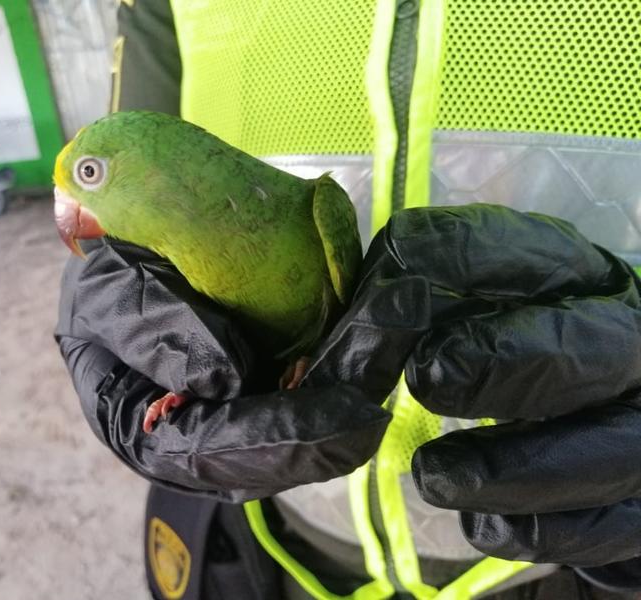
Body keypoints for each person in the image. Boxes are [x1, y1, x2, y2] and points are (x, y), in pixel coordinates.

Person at [56, 2, 641, 598]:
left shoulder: (318, 215)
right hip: (277, 534)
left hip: (567, 540)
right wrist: (111, 315)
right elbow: (135, 167)